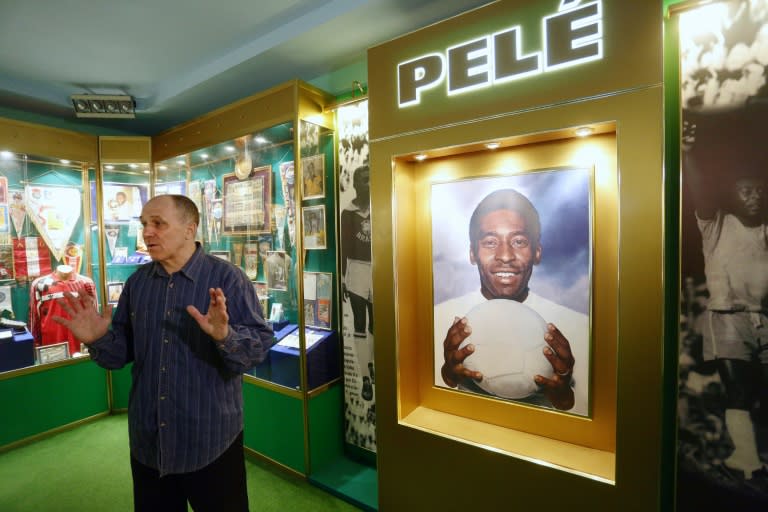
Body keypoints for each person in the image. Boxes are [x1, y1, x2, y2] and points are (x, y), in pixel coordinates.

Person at [53, 194, 274, 511]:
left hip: (210, 439)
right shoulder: (137, 284)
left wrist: (225, 335)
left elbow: (255, 351)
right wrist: (99, 336)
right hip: (149, 442)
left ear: (189, 229)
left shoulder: (227, 279)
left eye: (158, 223)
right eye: (144, 224)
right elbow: (120, 355)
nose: (147, 232)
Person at [435, 188, 589, 414]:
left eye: (518, 241)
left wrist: (564, 397)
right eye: (490, 242)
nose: (505, 255)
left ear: (537, 252)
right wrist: (448, 376)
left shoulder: (579, 327)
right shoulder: (438, 318)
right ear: (472, 253)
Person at [683, 127, 768, 480]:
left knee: (759, 393)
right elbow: (699, 191)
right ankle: (746, 462)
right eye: (746, 191)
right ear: (733, 196)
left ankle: (752, 455)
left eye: (759, 192)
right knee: (738, 390)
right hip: (727, 317)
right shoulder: (716, 223)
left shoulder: (763, 228)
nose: (753, 197)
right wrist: (687, 152)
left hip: (761, 318)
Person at [340, 165, 373, 339]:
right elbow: (344, 247)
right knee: (359, 322)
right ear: (355, 184)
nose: (368, 185)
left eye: (371, 180)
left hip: (376, 268)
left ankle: (373, 364)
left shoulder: (378, 209)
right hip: (356, 269)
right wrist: (343, 278)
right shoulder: (347, 213)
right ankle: (362, 366)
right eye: (364, 180)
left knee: (376, 321)